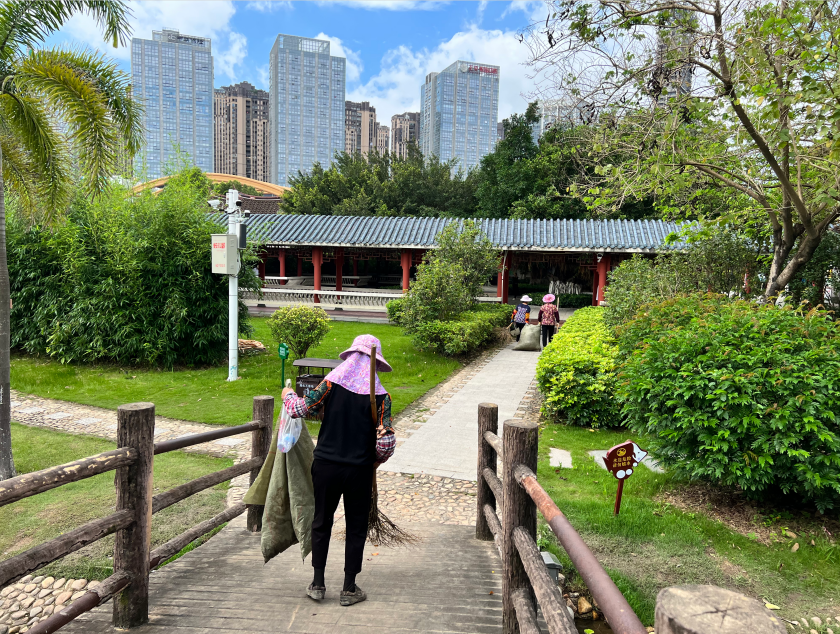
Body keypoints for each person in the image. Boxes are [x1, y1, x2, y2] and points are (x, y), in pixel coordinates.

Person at [280, 334, 396, 607]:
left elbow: (299, 409)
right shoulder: (381, 397)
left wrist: (287, 395)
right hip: (359, 472)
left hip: (325, 467)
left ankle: (317, 584)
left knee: (321, 521)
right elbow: (386, 442)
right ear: (375, 364)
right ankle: (349, 588)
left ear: (350, 357)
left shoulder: (330, 384)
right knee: (356, 527)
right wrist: (376, 460)